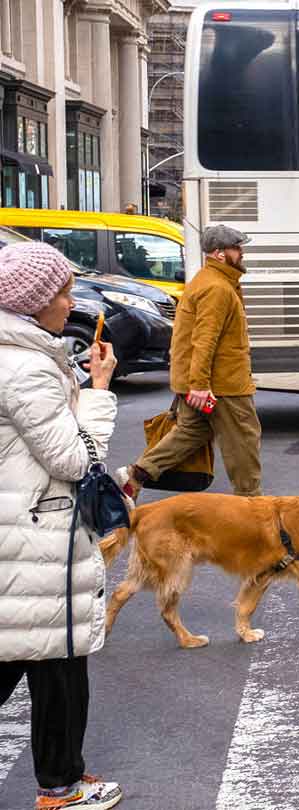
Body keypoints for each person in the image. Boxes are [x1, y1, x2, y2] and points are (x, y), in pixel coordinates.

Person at [0, 242, 124, 810]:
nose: (71, 303)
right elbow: (76, 460)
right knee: (52, 663)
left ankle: (62, 783)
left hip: (27, 531)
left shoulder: (25, 355)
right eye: (63, 293)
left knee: (53, 664)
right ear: (33, 304)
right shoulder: (24, 367)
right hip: (35, 535)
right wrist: (98, 395)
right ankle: (61, 788)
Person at [119, 224, 261, 500]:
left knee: (191, 432)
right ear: (220, 254)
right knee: (244, 440)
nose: (241, 252)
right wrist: (199, 384)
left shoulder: (210, 281)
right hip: (223, 384)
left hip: (204, 381)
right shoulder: (217, 288)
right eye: (237, 247)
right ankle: (252, 504)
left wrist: (193, 383)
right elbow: (204, 340)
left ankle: (137, 475)